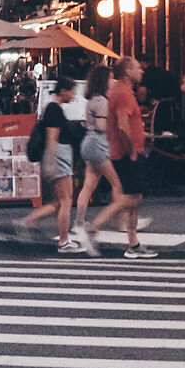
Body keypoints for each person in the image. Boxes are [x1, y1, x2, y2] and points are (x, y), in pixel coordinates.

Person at [87, 60, 155, 259]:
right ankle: (94, 226)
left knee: (134, 197)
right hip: (127, 154)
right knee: (131, 198)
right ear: (127, 72)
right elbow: (123, 124)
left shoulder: (121, 92)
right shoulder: (124, 93)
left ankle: (133, 244)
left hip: (122, 151)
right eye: (136, 67)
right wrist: (132, 149)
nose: (141, 70)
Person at [26, 77, 89, 252]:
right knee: (65, 200)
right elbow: (52, 138)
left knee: (60, 202)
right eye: (71, 92)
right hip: (60, 156)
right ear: (63, 91)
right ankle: (63, 241)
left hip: (59, 156)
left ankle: (29, 221)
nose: (73, 96)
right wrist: (51, 162)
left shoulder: (54, 109)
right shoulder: (54, 109)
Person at [69, 65, 117, 253]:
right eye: (110, 78)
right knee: (118, 184)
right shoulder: (102, 101)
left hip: (88, 143)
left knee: (89, 185)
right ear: (103, 80)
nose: (113, 81)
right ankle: (115, 220)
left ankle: (79, 223)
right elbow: (102, 126)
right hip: (98, 144)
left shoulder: (91, 100)